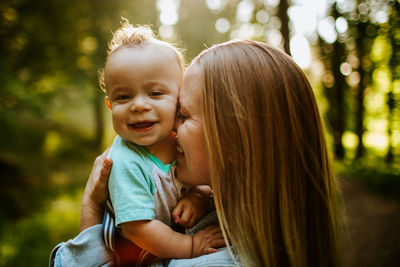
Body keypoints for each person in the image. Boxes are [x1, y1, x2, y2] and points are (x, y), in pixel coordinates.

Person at [50, 39, 342, 267]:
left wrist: (91, 207)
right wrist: (200, 195)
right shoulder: (234, 222)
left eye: (184, 114)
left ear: (233, 139)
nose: (171, 128)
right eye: (125, 96)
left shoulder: (211, 258)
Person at [97, 20, 217, 265]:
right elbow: (137, 229)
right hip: (137, 256)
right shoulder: (126, 161)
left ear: (178, 99)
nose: (139, 105)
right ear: (110, 105)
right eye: (123, 96)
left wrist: (198, 196)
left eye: (155, 93)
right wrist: (191, 246)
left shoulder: (180, 140)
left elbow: (205, 178)